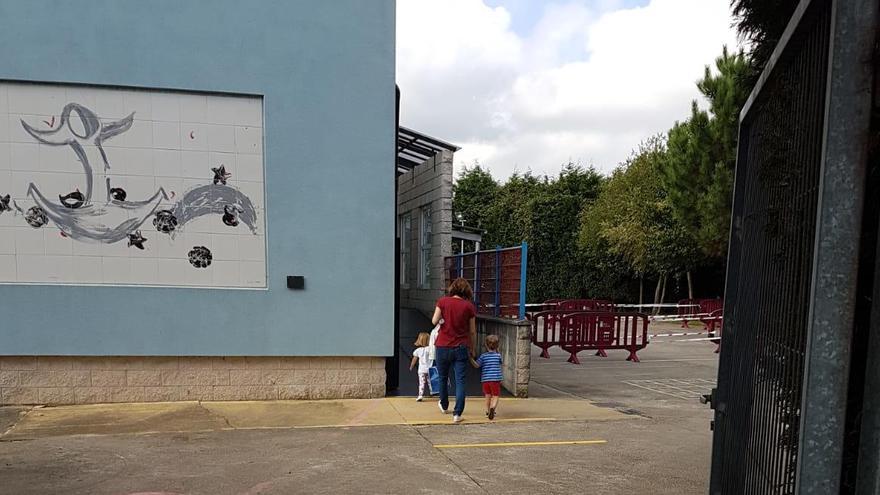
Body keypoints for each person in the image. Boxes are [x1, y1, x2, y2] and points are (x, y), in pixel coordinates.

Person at [432, 277, 477, 423]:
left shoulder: (443, 302)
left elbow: (434, 321)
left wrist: (442, 321)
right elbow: (472, 331)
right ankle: (457, 414)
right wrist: (473, 348)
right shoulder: (469, 306)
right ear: (466, 290)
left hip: (442, 346)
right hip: (461, 347)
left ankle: (444, 405)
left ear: (453, 288)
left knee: (443, 378)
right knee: (460, 381)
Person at [471, 334, 503, 420]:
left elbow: (477, 365)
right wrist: (497, 350)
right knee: (495, 395)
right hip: (496, 379)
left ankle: (488, 411)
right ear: (497, 345)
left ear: (485, 345)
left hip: (485, 380)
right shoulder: (498, 356)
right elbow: (501, 363)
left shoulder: (483, 356)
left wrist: (471, 359)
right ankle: (493, 408)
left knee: (487, 395)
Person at [409, 332, 432, 401]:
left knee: (421, 383)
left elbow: (414, 359)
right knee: (430, 381)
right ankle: (432, 391)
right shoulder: (430, 349)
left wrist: (411, 366)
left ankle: (420, 395)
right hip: (429, 369)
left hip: (421, 370)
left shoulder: (418, 351)